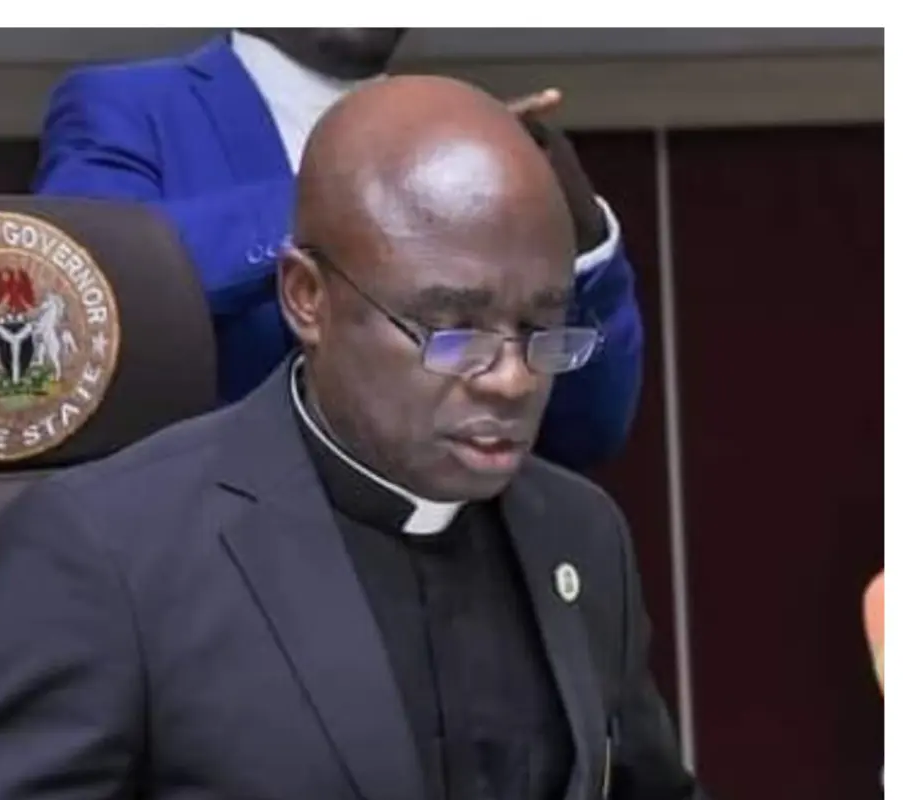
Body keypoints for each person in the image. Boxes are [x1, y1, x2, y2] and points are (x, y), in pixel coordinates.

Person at [0, 76, 807, 800]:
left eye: (543, 329)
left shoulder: (578, 530)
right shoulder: (109, 545)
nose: (510, 379)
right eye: (452, 330)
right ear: (307, 297)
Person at [33, 29, 644, 472]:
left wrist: (586, 238)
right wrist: (366, 183)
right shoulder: (124, 106)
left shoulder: (472, 143)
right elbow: (96, 287)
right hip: (209, 557)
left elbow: (589, 431)